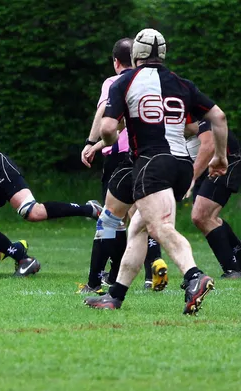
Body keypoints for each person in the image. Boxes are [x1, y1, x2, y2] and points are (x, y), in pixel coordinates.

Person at [84, 28, 229, 314]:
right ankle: (115, 295)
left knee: (161, 227)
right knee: (139, 225)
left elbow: (109, 128)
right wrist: (220, 157)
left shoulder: (123, 81)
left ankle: (193, 276)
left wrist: (107, 144)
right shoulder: (182, 84)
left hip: (152, 164)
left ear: (136, 54)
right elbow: (217, 118)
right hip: (182, 166)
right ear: (163, 54)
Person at [78, 38, 167, 294]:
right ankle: (152, 269)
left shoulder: (114, 82)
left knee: (111, 217)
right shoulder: (151, 83)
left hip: (120, 156)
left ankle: (95, 280)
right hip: (149, 155)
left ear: (115, 61)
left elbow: (104, 116)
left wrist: (91, 142)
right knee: (142, 214)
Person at [188, 120, 241, 278]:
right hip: (206, 166)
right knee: (204, 217)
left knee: (201, 216)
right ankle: (237, 261)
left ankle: (232, 270)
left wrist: (190, 178)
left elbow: (209, 144)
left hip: (225, 161)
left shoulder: (190, 105)